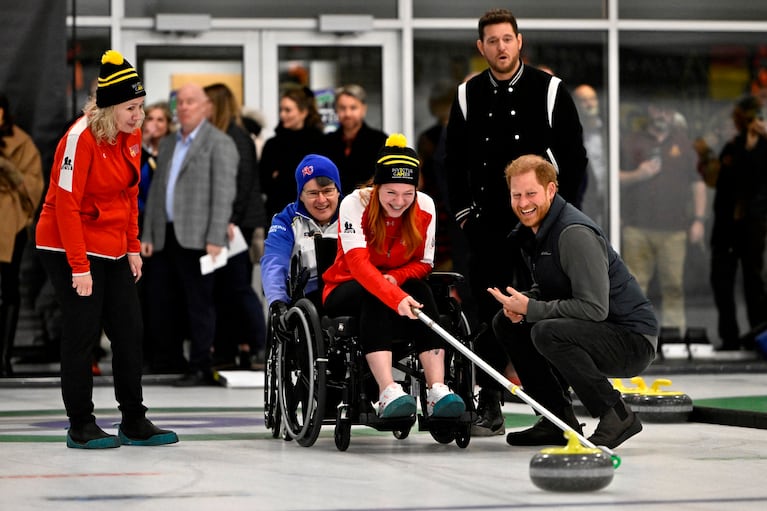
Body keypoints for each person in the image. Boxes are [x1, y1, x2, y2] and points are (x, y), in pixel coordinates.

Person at [444, 8, 588, 436]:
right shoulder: (467, 95)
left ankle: (554, 413)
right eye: (492, 41)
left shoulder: (550, 90)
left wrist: (560, 218)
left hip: (540, 227)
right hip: (486, 228)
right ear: (481, 47)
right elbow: (453, 163)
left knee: (543, 317)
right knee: (489, 316)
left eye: (507, 39)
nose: (501, 47)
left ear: (519, 41)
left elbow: (575, 160)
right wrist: (465, 214)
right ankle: (489, 403)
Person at [35, 50, 178, 448]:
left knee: (129, 331)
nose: (139, 116)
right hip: (67, 244)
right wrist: (78, 267)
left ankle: (134, 419)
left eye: (141, 106)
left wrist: (132, 247)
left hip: (113, 246)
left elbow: (130, 195)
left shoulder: (130, 136)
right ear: (109, 106)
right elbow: (65, 205)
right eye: (131, 107)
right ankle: (80, 424)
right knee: (82, 332)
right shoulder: (78, 139)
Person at [489, 154, 658, 449]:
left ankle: (616, 414)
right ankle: (555, 420)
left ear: (551, 191)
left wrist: (532, 309)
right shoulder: (535, 233)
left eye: (531, 193)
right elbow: (553, 289)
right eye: (516, 195)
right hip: (598, 329)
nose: (523, 202)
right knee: (506, 323)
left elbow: (594, 308)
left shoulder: (573, 233)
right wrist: (521, 302)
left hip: (631, 340)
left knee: (545, 330)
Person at [321, 134, 465, 419]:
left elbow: (424, 263)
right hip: (345, 286)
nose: (399, 202)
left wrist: (396, 279)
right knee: (373, 295)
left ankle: (437, 389)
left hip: (395, 285)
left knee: (422, 291)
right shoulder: (355, 204)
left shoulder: (425, 206)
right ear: (377, 187)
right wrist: (392, 294)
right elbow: (359, 266)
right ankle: (387, 390)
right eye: (391, 193)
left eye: (407, 194)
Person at [140, 82, 238, 386]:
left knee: (199, 302)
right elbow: (157, 192)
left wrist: (214, 237)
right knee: (162, 300)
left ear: (206, 107)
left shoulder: (219, 143)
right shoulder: (169, 143)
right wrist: (148, 234)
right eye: (179, 102)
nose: (183, 107)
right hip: (165, 234)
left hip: (199, 236)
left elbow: (223, 194)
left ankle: (200, 365)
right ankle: (169, 359)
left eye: (190, 102)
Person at [619, 100, 706, 337]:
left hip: (674, 228)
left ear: (673, 113)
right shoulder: (631, 140)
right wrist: (639, 174)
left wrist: (699, 219)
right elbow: (612, 178)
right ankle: (634, 337)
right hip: (636, 226)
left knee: (674, 286)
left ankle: (674, 336)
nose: (662, 114)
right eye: (658, 108)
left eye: (667, 110)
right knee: (634, 286)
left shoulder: (685, 143)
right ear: (650, 110)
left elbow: (698, 183)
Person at [204, 82, 267, 369]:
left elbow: (240, 185)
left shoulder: (236, 137)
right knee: (224, 290)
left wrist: (230, 219)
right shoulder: (219, 135)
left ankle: (260, 344)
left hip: (235, 224)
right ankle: (226, 350)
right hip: (227, 221)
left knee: (238, 287)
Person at [710, 95, 767, 352]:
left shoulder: (763, 147)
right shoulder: (731, 147)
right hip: (726, 226)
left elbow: (753, 179)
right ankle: (729, 337)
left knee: (754, 282)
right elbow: (719, 181)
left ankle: (758, 336)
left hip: (753, 225)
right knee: (722, 281)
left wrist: (756, 144)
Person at [262, 153, 342, 316]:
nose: (321, 200)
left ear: (338, 190)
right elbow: (274, 262)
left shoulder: (353, 213)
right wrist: (277, 302)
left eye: (328, 191)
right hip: (306, 298)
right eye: (313, 193)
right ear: (300, 195)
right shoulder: (286, 220)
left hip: (345, 291)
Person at [0, 93, 44, 376]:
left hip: (9, 224)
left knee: (8, 288)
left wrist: (8, 169)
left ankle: (4, 357)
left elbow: (34, 186)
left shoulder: (22, 143)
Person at [260, 85, 324, 220]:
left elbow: (320, 180)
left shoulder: (319, 143)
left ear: (304, 112)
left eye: (288, 110)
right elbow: (264, 181)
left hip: (310, 214)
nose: (282, 114)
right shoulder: (273, 144)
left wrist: (281, 176)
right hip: (277, 213)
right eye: (281, 110)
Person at [321, 84, 387, 195]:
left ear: (363, 109)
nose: (347, 114)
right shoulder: (325, 142)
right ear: (336, 110)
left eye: (353, 108)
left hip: (368, 204)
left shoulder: (379, 141)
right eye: (342, 108)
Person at [573, 84, 609, 230]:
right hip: (583, 203)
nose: (590, 104)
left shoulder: (609, 131)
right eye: (584, 100)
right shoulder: (571, 132)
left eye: (593, 99)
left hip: (607, 202)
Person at [138, 101, 173, 230]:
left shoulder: (174, 150)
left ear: (168, 125)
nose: (154, 124)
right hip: (141, 217)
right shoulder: (136, 149)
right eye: (150, 119)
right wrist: (144, 142)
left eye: (160, 120)